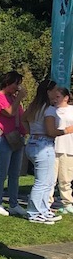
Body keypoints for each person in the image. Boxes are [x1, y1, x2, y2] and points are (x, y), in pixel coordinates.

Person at [23, 80, 73, 224]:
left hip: (33, 143)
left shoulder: (35, 106)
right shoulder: (49, 109)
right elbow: (51, 131)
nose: (57, 93)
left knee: (48, 180)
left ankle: (43, 210)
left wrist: (31, 131)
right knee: (43, 182)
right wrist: (67, 130)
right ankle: (34, 212)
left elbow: (24, 119)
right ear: (48, 92)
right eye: (55, 90)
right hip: (44, 146)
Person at [0, 71, 28, 217]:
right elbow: (10, 112)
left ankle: (13, 203)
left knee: (15, 173)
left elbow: (20, 115)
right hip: (3, 137)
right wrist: (18, 98)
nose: (17, 87)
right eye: (15, 83)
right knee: (2, 173)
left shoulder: (13, 98)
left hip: (17, 137)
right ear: (7, 82)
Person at [54, 87, 73, 215]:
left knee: (65, 179)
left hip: (68, 147)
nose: (55, 100)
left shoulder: (72, 110)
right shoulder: (50, 110)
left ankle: (67, 203)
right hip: (53, 147)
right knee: (50, 179)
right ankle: (47, 202)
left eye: (58, 97)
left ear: (66, 98)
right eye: (54, 97)